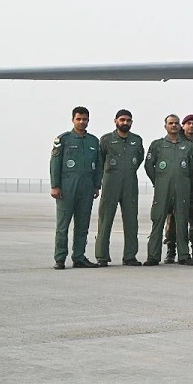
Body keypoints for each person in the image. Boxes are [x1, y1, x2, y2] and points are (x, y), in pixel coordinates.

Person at [51, 105, 102, 269]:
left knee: (82, 225)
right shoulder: (63, 139)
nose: (82, 122)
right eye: (78, 119)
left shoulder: (93, 141)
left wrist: (96, 185)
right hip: (66, 188)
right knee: (63, 225)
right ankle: (60, 258)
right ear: (73, 120)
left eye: (85, 119)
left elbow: (99, 165)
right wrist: (55, 186)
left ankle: (79, 257)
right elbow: (55, 164)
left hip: (86, 188)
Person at [144, 114, 193, 266]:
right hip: (162, 188)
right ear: (165, 126)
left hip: (182, 187)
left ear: (180, 126)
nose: (174, 125)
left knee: (181, 221)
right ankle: (153, 256)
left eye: (176, 123)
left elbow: (191, 166)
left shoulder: (187, 146)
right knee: (158, 219)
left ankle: (184, 255)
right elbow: (149, 166)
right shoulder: (157, 145)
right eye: (170, 123)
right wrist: (158, 181)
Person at [94, 109, 144, 267]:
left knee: (131, 220)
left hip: (130, 183)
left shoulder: (137, 140)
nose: (125, 123)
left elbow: (139, 158)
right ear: (115, 121)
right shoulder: (106, 140)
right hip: (111, 182)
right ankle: (102, 256)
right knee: (105, 219)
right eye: (122, 120)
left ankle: (130, 256)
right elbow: (100, 160)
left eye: (128, 120)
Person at [164, 114, 193, 264]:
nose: (191, 126)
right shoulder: (176, 141)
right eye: (188, 123)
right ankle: (171, 250)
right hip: (176, 188)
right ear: (183, 125)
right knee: (173, 221)